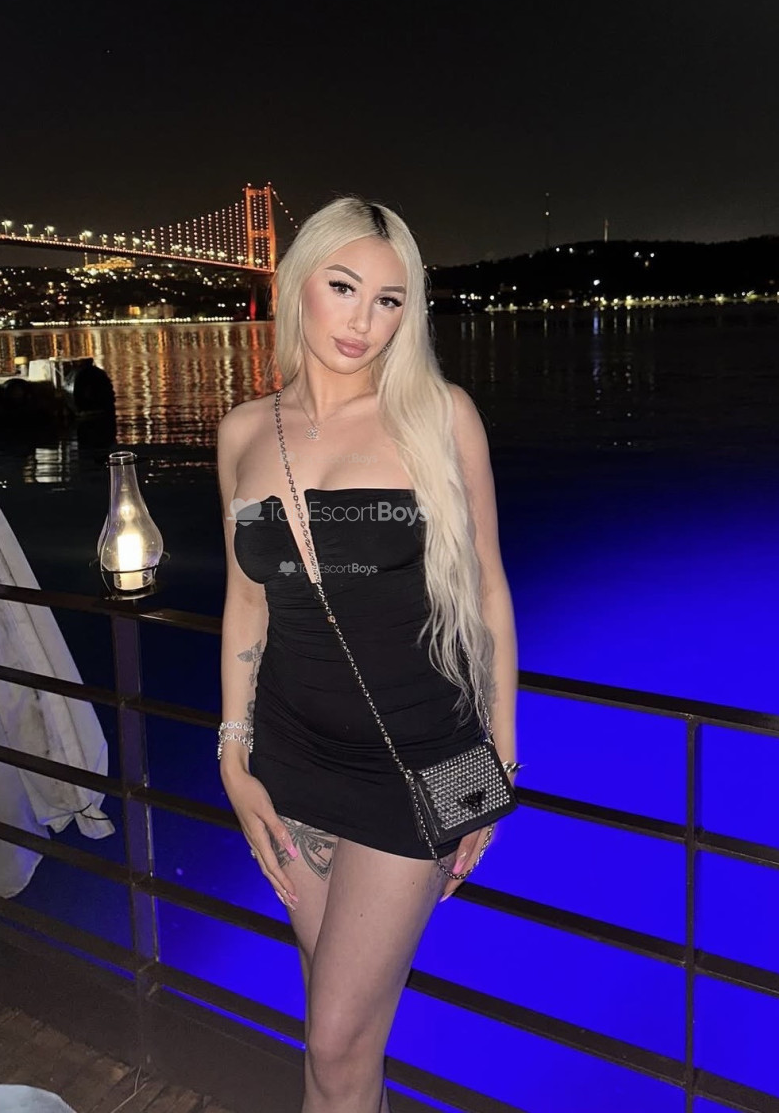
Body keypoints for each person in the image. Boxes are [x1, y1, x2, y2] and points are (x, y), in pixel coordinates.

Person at [215, 196, 518, 1112]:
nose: (362, 320)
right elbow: (246, 604)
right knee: (343, 1038)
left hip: (420, 765)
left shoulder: (439, 415)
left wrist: (497, 768)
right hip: (292, 763)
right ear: (297, 285)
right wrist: (233, 754)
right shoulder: (242, 431)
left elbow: (489, 595)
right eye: (343, 287)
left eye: (389, 300)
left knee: (335, 1041)